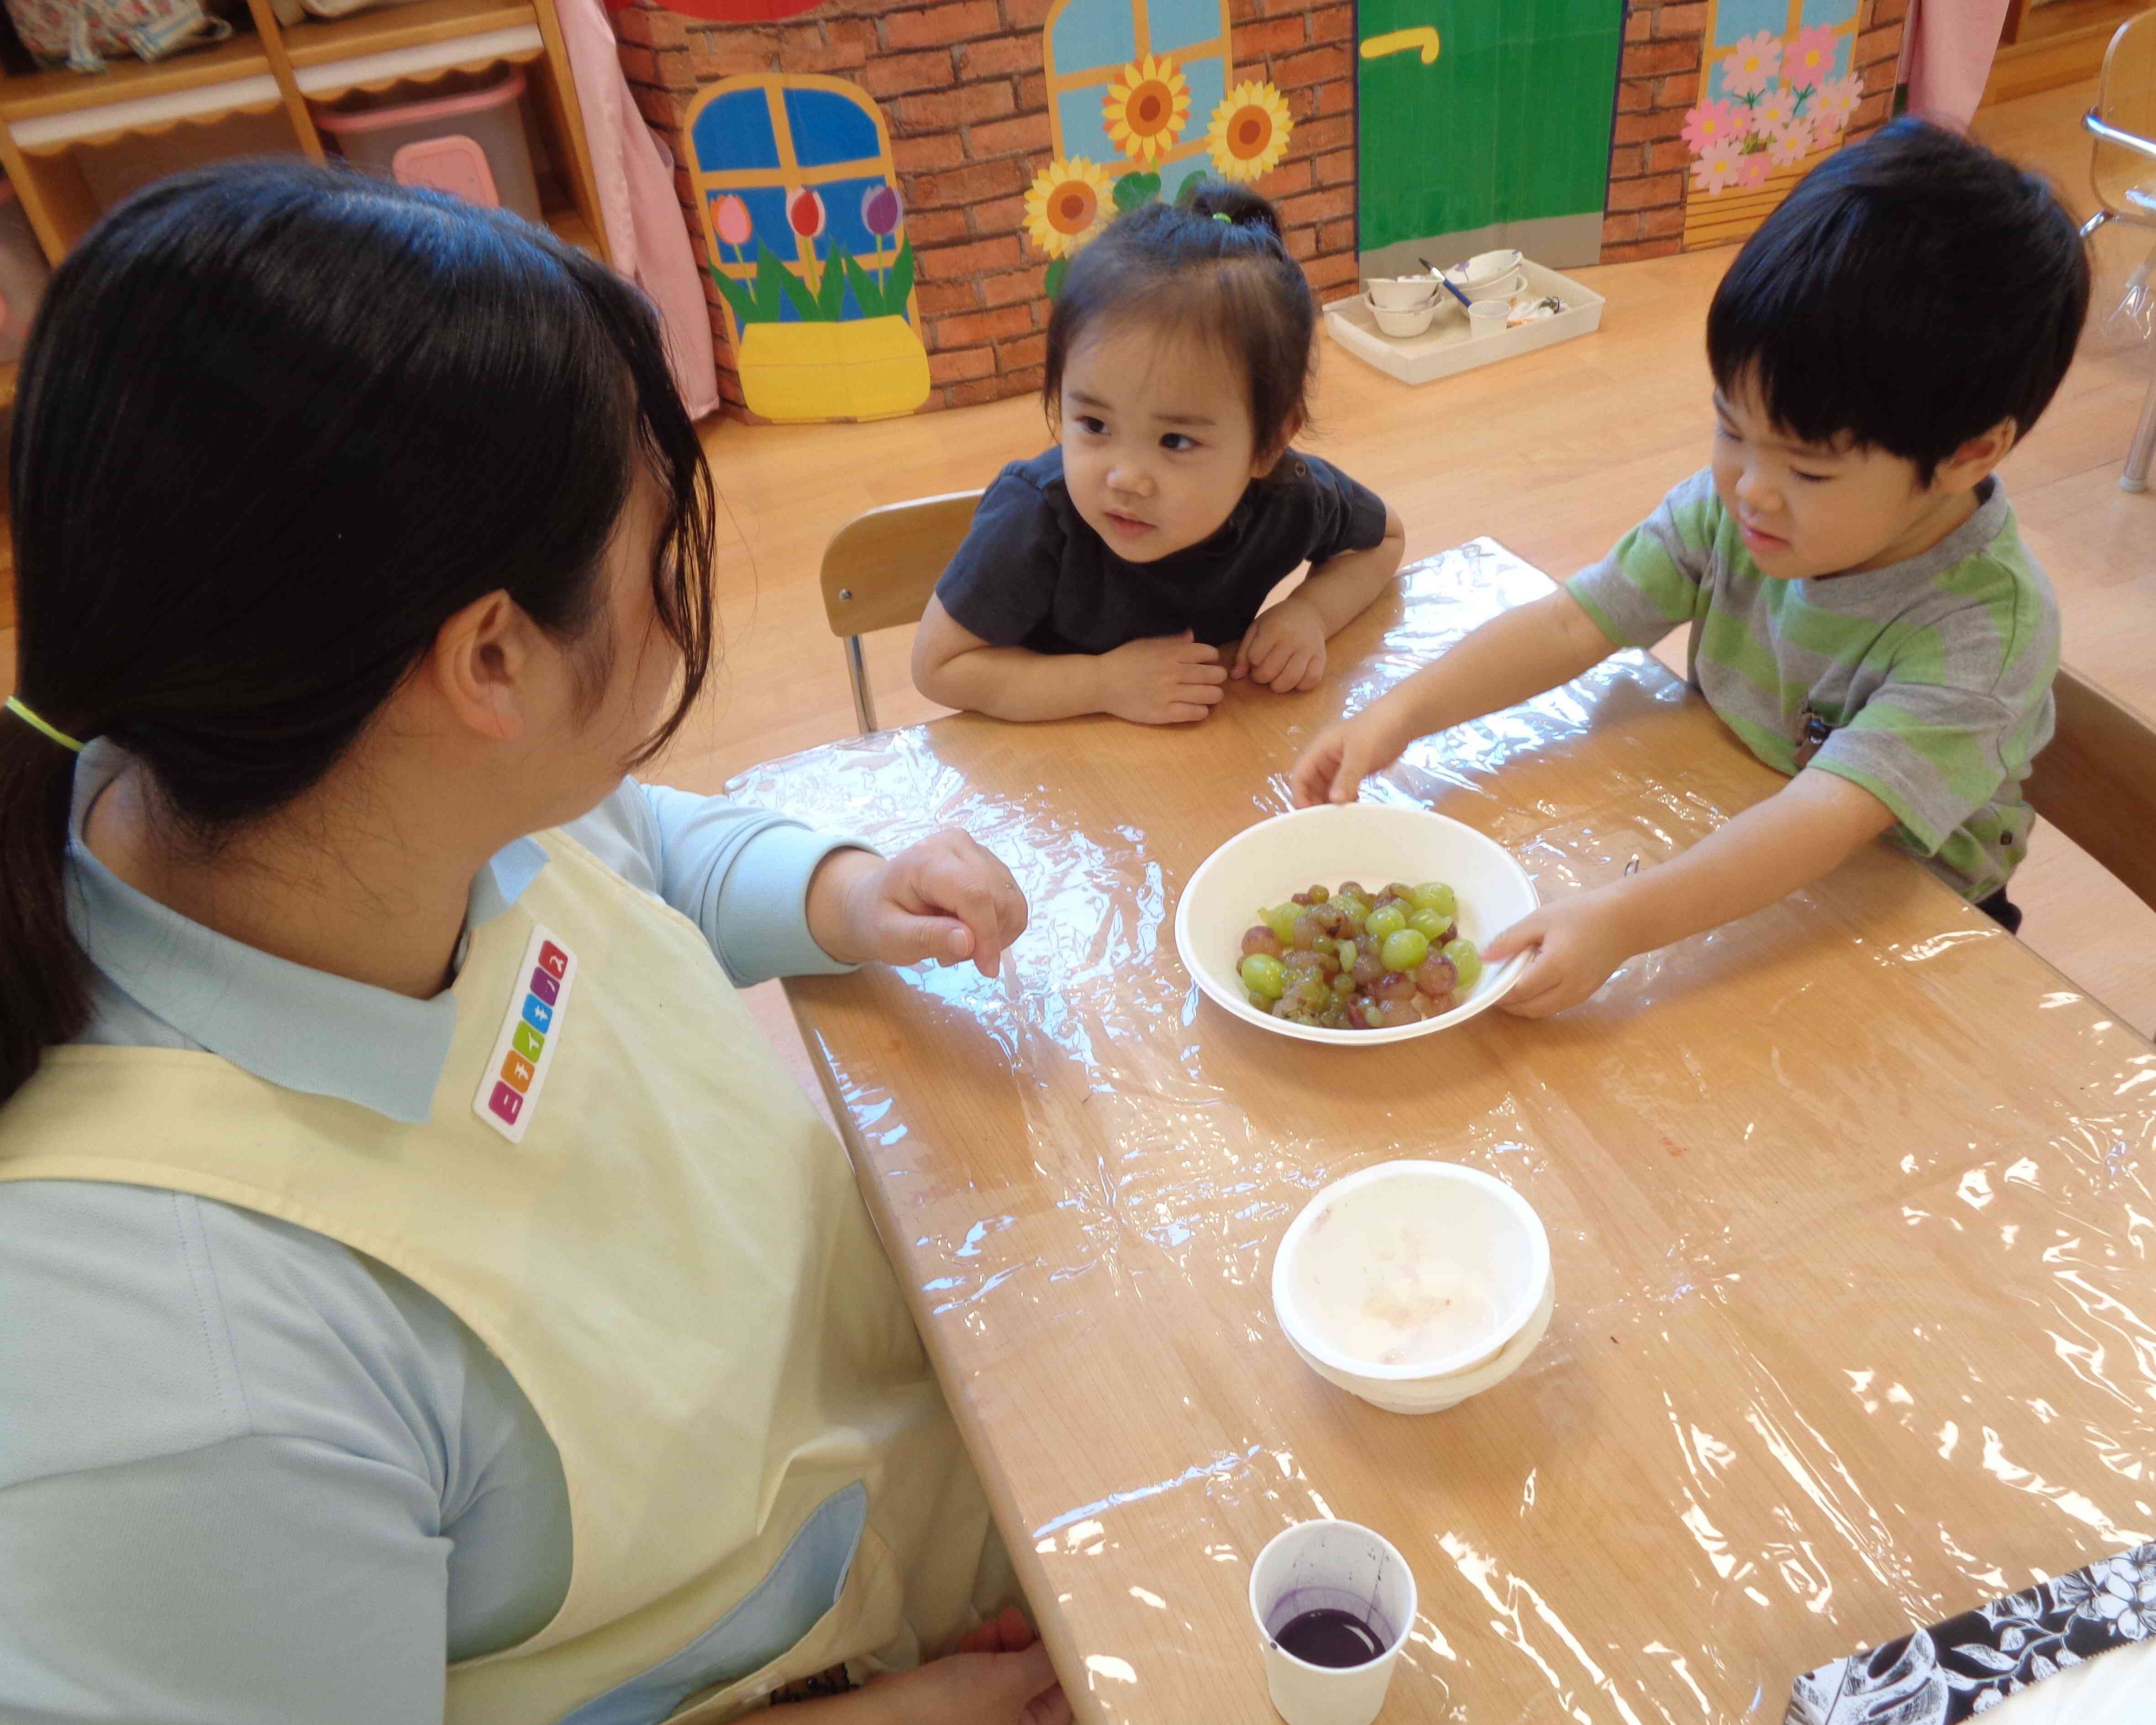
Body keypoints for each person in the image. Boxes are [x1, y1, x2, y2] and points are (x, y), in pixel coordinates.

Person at [0, 163, 1065, 1725]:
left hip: (933, 1471)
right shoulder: (174, 1377)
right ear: (490, 658)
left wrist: (839, 885)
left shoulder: (350, 776)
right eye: (658, 560)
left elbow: (642, 850)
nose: (674, 605)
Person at [1289, 120, 2089, 1018]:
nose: (1751, 489)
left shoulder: (1983, 630)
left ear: (1967, 454)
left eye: (1807, 468)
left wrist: (1624, 920)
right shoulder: (1741, 506)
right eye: (1730, 429)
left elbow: (1824, 818)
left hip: (1910, 918)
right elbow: (1572, 622)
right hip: (1730, 810)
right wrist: (1405, 711)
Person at [911, 185, 1406, 726]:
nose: (1126, 478)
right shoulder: (1034, 518)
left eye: (1175, 441)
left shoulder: (1288, 493)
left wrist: (1310, 612)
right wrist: (1101, 684)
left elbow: (1385, 540)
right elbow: (938, 664)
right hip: (1063, 766)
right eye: (1094, 424)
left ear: (1268, 444)